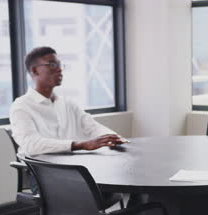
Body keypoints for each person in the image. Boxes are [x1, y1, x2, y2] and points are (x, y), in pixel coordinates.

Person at [10, 46, 127, 193]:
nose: (59, 69)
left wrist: (113, 137)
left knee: (133, 184)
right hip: (43, 175)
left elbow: (92, 127)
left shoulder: (67, 103)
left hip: (74, 169)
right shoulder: (21, 106)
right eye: (52, 65)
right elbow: (31, 144)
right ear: (34, 71)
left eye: (60, 65)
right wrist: (79, 145)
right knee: (109, 186)